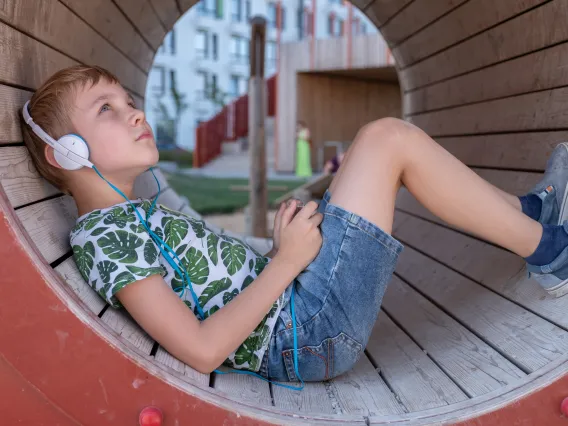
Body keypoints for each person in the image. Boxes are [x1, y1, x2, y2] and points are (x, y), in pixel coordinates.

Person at [21, 65, 568, 384]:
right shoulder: (107, 239)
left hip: (298, 301)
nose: (134, 111)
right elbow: (203, 348)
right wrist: (286, 262)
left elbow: (211, 281)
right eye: (106, 109)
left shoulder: (129, 216)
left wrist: (279, 249)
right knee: (387, 139)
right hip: (305, 333)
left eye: (128, 99)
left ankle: (531, 217)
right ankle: (551, 249)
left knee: (370, 147)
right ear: (65, 154)